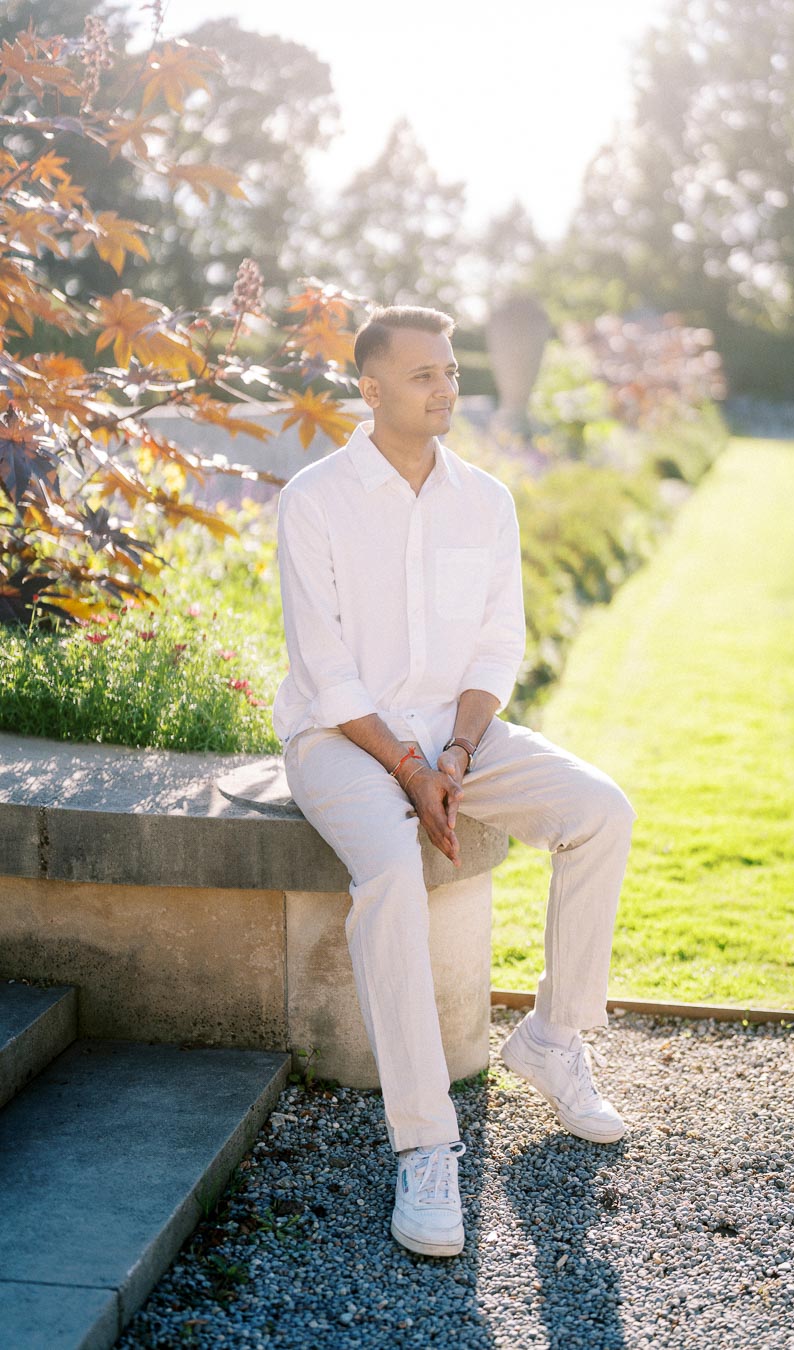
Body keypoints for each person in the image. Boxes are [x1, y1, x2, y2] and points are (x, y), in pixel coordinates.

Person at [274, 305, 637, 1259]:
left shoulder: (486, 501)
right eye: (425, 374)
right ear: (373, 388)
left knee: (600, 811)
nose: (446, 388)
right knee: (392, 868)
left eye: (451, 374)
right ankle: (426, 1146)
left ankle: (554, 1039)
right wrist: (405, 766)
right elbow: (328, 672)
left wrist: (458, 757)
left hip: (456, 741)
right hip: (339, 741)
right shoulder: (315, 499)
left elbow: (495, 646)